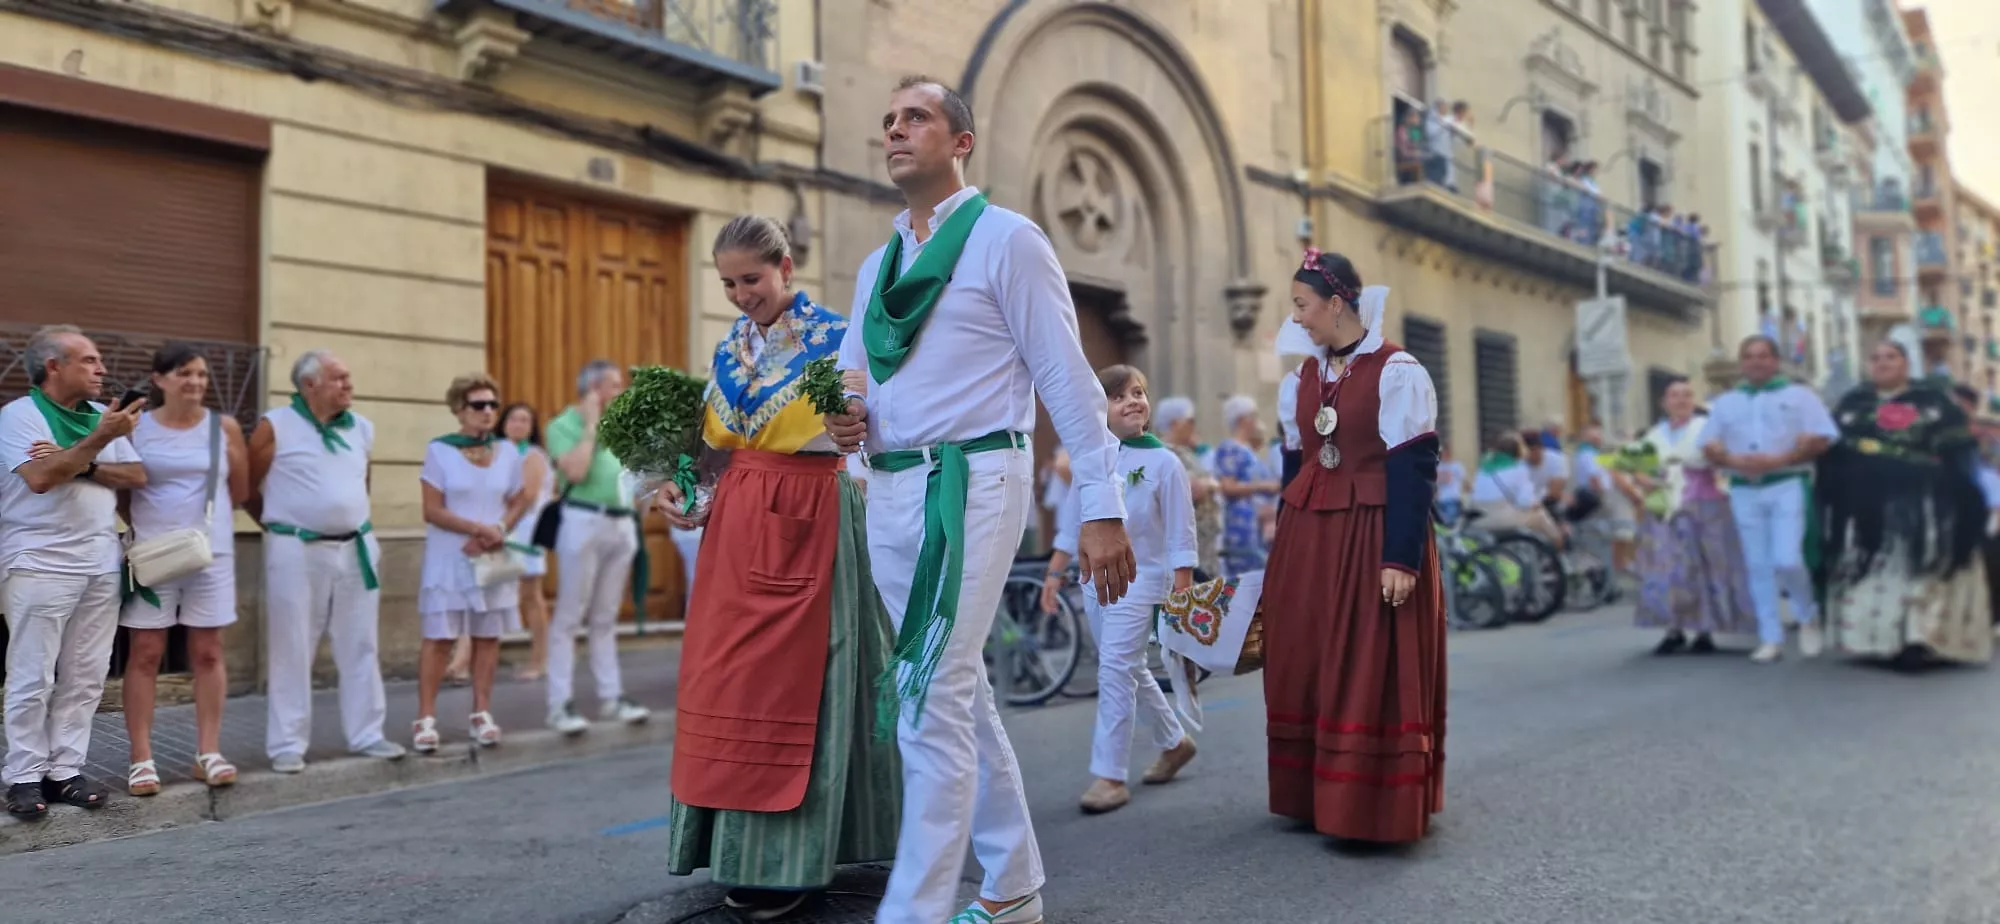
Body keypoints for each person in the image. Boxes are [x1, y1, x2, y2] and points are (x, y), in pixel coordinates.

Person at [823, 75, 1135, 924]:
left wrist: (1102, 508)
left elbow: (1068, 384)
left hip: (975, 483)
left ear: (960, 142)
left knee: (928, 698)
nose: (895, 130)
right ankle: (1014, 889)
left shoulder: (1009, 240)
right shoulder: (876, 264)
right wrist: (843, 413)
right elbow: (853, 371)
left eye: (915, 117)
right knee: (958, 692)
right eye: (888, 120)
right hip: (889, 489)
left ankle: (913, 912)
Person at [659, 214, 902, 922]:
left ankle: (796, 858)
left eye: (752, 279)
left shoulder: (834, 339)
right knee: (731, 685)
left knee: (807, 685)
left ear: (786, 268)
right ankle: (738, 849)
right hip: (736, 526)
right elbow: (710, 447)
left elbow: (868, 422)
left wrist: (853, 431)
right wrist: (683, 486)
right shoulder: (730, 348)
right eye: (729, 282)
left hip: (811, 518)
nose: (741, 294)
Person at [1264, 249, 1445, 844]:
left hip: (1372, 533)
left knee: (1367, 659)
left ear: (1336, 304)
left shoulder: (1398, 371)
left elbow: (1413, 471)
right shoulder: (1300, 380)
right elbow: (1295, 466)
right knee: (1307, 656)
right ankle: (1310, 793)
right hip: (1309, 536)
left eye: (1302, 305)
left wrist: (1401, 558)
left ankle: (1365, 803)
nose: (1297, 319)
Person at [0, 325, 147, 818]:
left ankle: (64, 768)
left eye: (100, 359)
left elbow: (135, 475)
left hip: (100, 562)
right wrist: (99, 439)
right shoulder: (18, 417)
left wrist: (79, 463)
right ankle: (22, 773)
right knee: (32, 673)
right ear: (53, 366)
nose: (101, 369)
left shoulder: (100, 417)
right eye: (88, 360)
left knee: (85, 674)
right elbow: (40, 477)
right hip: (38, 561)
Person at [1043, 366, 1198, 815]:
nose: (1131, 401)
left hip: (1144, 578)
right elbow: (1074, 522)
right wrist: (1054, 575)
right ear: (1100, 411)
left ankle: (1110, 776)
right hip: (1095, 579)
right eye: (1117, 397)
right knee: (1127, 665)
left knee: (1114, 667)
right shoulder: (1093, 458)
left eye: (1138, 393)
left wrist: (1182, 593)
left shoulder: (1166, 463)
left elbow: (1181, 535)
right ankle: (1174, 741)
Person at [250, 350, 406, 772]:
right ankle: (286, 744)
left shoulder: (362, 428)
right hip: (296, 548)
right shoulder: (275, 425)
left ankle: (368, 733)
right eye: (339, 378)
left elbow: (361, 484)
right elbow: (247, 483)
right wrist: (283, 523)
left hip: (355, 546)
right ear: (310, 385)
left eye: (348, 377)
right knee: (292, 644)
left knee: (360, 642)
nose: (348, 385)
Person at [121, 344, 249, 796]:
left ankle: (208, 753)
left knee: (209, 652)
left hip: (210, 554)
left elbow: (240, 489)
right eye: (183, 374)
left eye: (199, 374)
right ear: (159, 379)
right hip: (154, 556)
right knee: (146, 653)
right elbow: (124, 488)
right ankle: (141, 758)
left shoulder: (224, 427)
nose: (194, 382)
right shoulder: (138, 428)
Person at [1818, 337, 1990, 666]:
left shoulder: (1935, 403)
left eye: (1891, 357)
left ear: (1906, 363)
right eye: (1876, 358)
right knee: (1875, 569)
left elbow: (1959, 455)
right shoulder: (1853, 403)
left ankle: (1917, 639)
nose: (1883, 363)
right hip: (1865, 505)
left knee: (1919, 569)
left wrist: (1958, 501)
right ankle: (1877, 642)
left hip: (1925, 503)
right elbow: (1833, 452)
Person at [1702, 335, 1837, 663]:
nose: (1756, 362)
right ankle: (1770, 637)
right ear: (1741, 363)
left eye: (1763, 356)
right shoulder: (1726, 402)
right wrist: (1734, 462)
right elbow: (1708, 445)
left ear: (1775, 361)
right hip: (1744, 488)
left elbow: (1825, 438)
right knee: (1757, 564)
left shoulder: (1800, 396)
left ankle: (1807, 613)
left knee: (1787, 557)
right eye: (1749, 356)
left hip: (1787, 482)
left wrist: (1781, 459)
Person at [413, 374, 529, 753]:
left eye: (493, 405)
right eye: (479, 405)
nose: (488, 412)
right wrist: (476, 528)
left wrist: (498, 529)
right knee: (439, 637)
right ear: (459, 410)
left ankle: (481, 712)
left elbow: (519, 499)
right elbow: (431, 509)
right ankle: (426, 717)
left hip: (490, 556)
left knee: (487, 636)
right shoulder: (440, 450)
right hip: (450, 555)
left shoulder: (508, 452)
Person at [542, 359, 652, 734]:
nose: (620, 391)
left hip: (620, 523)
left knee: (605, 616)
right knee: (570, 615)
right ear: (592, 389)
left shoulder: (621, 425)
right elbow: (574, 472)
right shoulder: (562, 426)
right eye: (613, 385)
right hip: (582, 519)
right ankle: (559, 704)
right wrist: (590, 425)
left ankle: (611, 696)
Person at [1611, 378, 1754, 654]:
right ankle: (1672, 628)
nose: (1681, 400)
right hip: (1665, 507)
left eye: (1686, 395)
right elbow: (1635, 468)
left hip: (1703, 504)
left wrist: (1716, 462)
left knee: (1703, 566)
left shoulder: (1706, 429)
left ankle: (1704, 630)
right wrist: (1646, 481)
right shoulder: (1654, 434)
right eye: (1675, 396)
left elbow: (1724, 460)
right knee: (1666, 568)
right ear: (1664, 403)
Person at [496, 402, 552, 680]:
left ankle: (538, 660)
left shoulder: (534, 455)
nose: (518, 424)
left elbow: (528, 495)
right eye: (513, 419)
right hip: (495, 529)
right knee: (483, 593)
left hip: (526, 530)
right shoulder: (492, 451)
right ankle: (464, 661)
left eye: (524, 421)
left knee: (531, 596)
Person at [1154, 397, 1222, 578]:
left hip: (1204, 548)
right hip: (1187, 549)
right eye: (1190, 421)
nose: (1194, 427)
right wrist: (1210, 484)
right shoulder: (1166, 452)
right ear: (1174, 423)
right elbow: (1193, 489)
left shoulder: (1185, 452)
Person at [1212, 396, 1280, 576]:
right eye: (1254, 416)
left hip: (1258, 526)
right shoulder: (1230, 448)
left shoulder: (1249, 450)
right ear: (1243, 419)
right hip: (1241, 526)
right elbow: (1228, 486)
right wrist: (1263, 486)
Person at [1469, 432, 1563, 545]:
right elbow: (1525, 502)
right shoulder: (1518, 468)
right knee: (1540, 516)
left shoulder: (1483, 467)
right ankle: (1559, 547)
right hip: (1500, 519)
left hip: (1476, 518)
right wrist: (1536, 504)